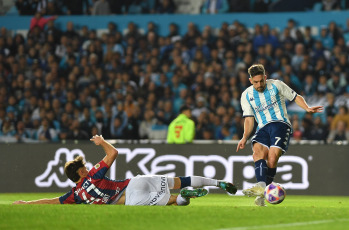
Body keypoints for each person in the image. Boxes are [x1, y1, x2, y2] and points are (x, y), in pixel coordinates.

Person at [13, 135, 237, 205]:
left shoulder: (75, 195)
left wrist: (25, 204)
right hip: (133, 183)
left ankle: (185, 198)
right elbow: (113, 154)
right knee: (178, 180)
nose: (87, 168)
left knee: (172, 201)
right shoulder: (93, 175)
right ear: (81, 172)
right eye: (84, 167)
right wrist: (102, 142)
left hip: (129, 199)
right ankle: (218, 183)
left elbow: (51, 201)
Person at [236, 64, 323, 206]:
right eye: (255, 82)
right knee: (257, 153)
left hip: (280, 124)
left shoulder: (276, 85)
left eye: (261, 81)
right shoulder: (246, 95)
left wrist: (307, 108)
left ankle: (262, 191)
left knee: (272, 158)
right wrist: (245, 136)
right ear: (251, 80)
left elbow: (295, 96)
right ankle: (262, 190)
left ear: (265, 77)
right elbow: (249, 119)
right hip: (263, 127)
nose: (259, 85)